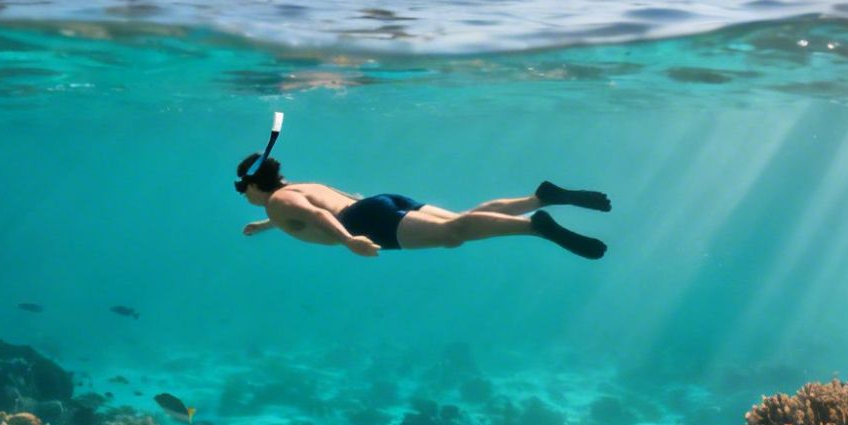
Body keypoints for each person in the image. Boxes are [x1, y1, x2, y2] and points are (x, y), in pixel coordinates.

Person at [235, 154, 611, 259]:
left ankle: (535, 226)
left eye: (243, 189)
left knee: (453, 235)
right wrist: (265, 225)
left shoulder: (278, 202)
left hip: (364, 221)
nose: (244, 196)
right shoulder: (297, 188)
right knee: (464, 220)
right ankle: (540, 197)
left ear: (254, 184)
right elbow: (310, 208)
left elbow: (317, 216)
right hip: (377, 203)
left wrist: (350, 241)